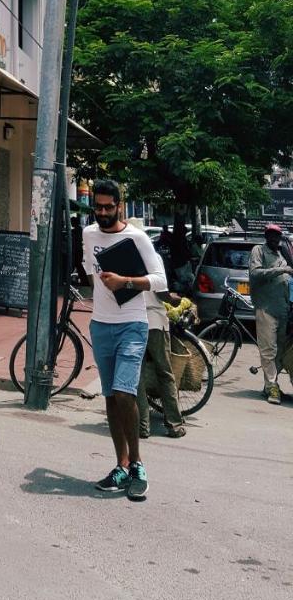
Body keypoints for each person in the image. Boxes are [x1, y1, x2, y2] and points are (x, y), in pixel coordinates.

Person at [82, 178, 168, 500]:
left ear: (120, 205)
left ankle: (137, 464)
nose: (102, 213)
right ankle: (120, 464)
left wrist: (126, 281)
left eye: (108, 207)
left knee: (124, 392)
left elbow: (160, 280)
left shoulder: (137, 237)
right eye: (98, 207)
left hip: (132, 324)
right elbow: (89, 268)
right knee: (109, 396)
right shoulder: (89, 234)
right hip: (100, 325)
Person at [249, 223, 293, 405]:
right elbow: (255, 273)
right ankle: (272, 386)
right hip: (266, 308)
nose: (274, 239)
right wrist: (281, 270)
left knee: (280, 350)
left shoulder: (282, 254)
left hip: (282, 309)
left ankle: (270, 384)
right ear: (266, 236)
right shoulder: (259, 251)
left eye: (277, 236)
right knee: (268, 349)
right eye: (271, 235)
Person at [137, 285, 186, 440]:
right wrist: (174, 299)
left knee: (137, 375)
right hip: (155, 322)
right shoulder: (154, 260)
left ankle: (142, 426)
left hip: (135, 321)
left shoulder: (129, 263)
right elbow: (163, 293)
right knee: (165, 373)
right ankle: (174, 425)